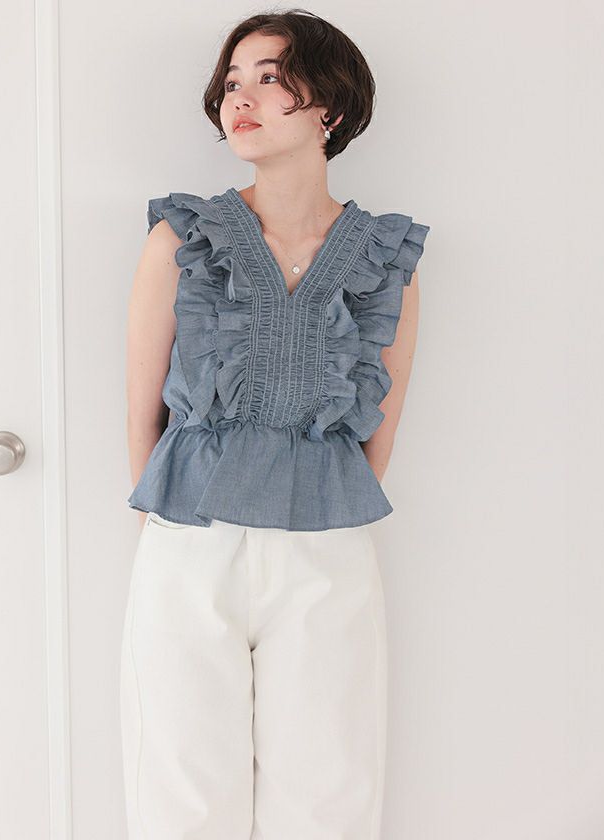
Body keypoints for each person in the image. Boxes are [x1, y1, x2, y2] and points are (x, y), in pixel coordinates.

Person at [120, 9, 430, 840]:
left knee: (331, 785)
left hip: (326, 540)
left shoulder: (384, 257)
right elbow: (142, 406)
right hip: (191, 534)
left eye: (269, 78)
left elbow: (380, 427)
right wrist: (165, 530)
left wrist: (318, 509)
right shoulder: (182, 238)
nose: (241, 99)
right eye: (232, 82)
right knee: (181, 785)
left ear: (331, 107)